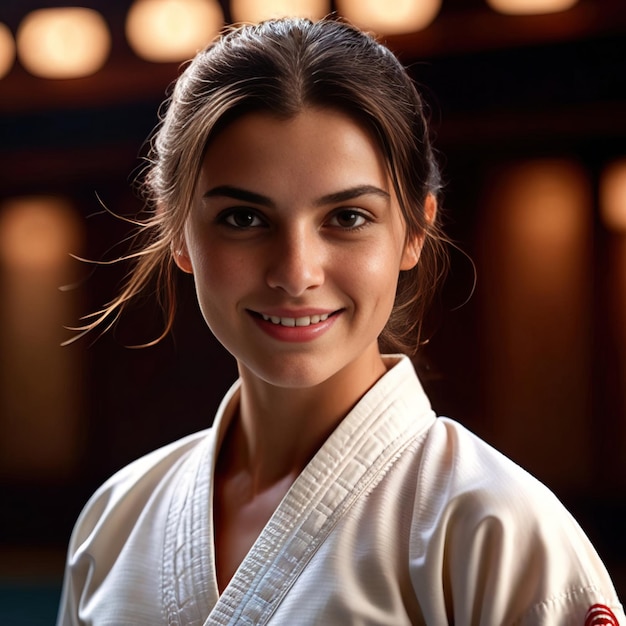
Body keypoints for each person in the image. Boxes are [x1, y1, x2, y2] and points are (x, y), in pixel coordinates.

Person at [57, 17, 624, 626]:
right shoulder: (115, 521)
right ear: (179, 233)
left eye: (348, 217)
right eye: (244, 219)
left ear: (414, 230)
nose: (296, 272)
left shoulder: (495, 529)